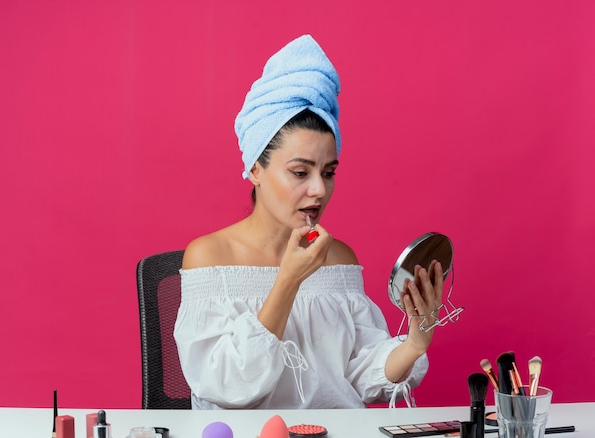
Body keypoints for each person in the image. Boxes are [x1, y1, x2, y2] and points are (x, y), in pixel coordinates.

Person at [174, 35, 444, 409]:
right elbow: (230, 386)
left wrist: (415, 341)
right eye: (300, 172)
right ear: (255, 168)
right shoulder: (209, 257)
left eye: (328, 172)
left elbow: (359, 378)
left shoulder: (339, 258)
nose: (318, 190)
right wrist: (288, 279)